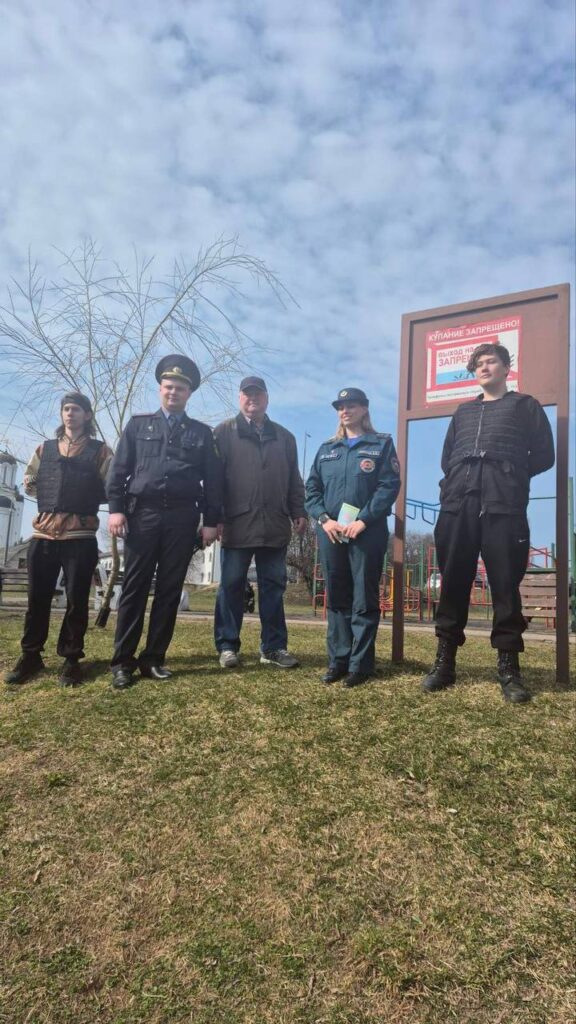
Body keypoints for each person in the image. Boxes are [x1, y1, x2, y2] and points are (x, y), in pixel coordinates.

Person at [422, 342, 555, 703]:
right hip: (458, 504)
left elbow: (544, 455)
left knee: (505, 587)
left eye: (491, 361)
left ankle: (509, 669)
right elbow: (447, 458)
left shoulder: (525, 406)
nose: (483, 367)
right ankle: (444, 663)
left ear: (506, 367)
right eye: (478, 363)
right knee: (452, 583)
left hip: (504, 504)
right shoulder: (463, 412)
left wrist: (510, 474)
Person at [107, 355, 223, 689]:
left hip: (182, 518)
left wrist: (211, 521)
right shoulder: (138, 425)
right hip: (142, 515)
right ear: (160, 389)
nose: (174, 392)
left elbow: (213, 481)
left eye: (180, 388)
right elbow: (118, 471)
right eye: (169, 386)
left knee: (170, 590)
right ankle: (122, 663)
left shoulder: (202, 433)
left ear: (189, 393)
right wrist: (116, 509)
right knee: (134, 588)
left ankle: (153, 659)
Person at [5, 393, 113, 687]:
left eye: (76, 409)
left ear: (87, 415)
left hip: (80, 534)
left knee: (77, 600)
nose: (70, 413)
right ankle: (30, 655)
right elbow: (31, 483)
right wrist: (42, 487)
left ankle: (71, 658)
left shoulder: (101, 451)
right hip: (44, 533)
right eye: (66, 409)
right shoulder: (45, 448)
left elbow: (112, 485)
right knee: (36, 598)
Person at [305, 388, 401, 687]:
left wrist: (364, 520)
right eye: (340, 406)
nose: (345, 411)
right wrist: (324, 519)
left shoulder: (381, 444)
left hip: (366, 533)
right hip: (332, 533)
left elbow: (388, 486)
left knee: (363, 598)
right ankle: (338, 661)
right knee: (337, 597)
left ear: (364, 409)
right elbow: (312, 490)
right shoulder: (327, 449)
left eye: (351, 405)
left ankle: (360, 665)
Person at [213, 376, 307, 669]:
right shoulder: (223, 432)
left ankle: (274, 647)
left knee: (273, 588)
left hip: (274, 524)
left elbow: (294, 479)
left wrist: (299, 511)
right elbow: (213, 480)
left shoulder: (285, 437)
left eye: (258, 394)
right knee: (231, 585)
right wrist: (214, 517)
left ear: (267, 398)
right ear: (239, 398)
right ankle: (228, 646)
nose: (252, 398)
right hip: (236, 524)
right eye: (247, 394)